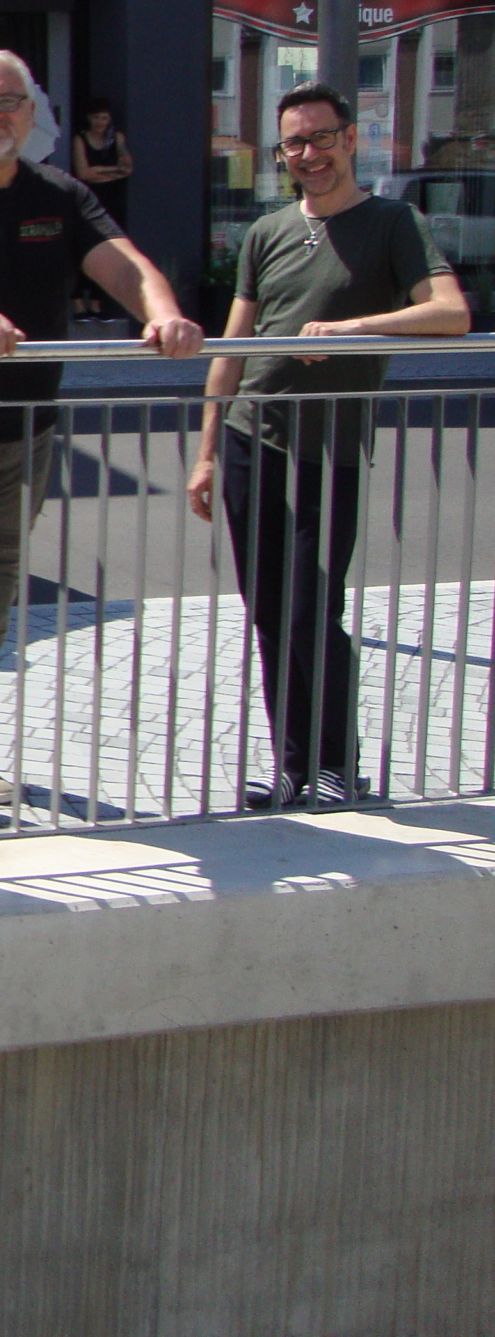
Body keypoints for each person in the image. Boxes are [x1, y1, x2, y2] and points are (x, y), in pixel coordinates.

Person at [0, 49, 201, 830]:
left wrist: (162, 311)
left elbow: (125, 266)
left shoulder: (60, 193)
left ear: (30, 113)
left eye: (5, 101)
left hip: (23, 428)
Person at [185, 84, 467, 808]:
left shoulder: (392, 222)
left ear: (350, 139)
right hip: (252, 437)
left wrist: (355, 330)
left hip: (329, 446)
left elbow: (450, 313)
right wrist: (208, 448)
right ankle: (291, 765)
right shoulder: (267, 232)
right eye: (294, 145)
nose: (308, 155)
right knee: (270, 611)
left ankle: (340, 764)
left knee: (314, 608)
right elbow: (232, 346)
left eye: (320, 138)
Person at [71, 105, 134, 317]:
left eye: (105, 117)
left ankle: (99, 302)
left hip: (111, 200)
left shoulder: (116, 139)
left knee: (111, 248)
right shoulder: (80, 140)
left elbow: (127, 169)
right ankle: (79, 301)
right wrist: (111, 171)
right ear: (89, 118)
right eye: (97, 117)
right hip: (88, 199)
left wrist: (100, 171)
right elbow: (83, 172)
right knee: (83, 248)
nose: (101, 122)